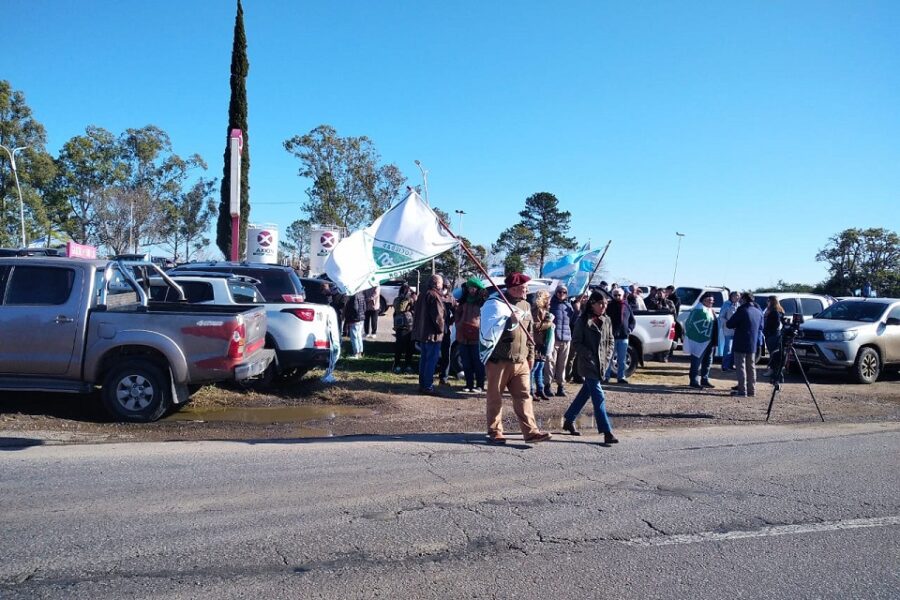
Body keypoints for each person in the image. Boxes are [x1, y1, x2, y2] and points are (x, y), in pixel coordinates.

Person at [481, 272, 552, 445]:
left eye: (527, 287)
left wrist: (531, 354)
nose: (527, 290)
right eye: (524, 287)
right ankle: (495, 431)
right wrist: (508, 322)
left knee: (524, 396)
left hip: (521, 361)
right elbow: (489, 330)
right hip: (499, 360)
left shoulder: (526, 305)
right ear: (513, 289)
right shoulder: (495, 304)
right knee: (495, 397)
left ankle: (531, 432)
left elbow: (530, 332)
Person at [562, 291, 618, 444]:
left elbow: (611, 341)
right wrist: (588, 355)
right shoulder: (583, 321)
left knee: (585, 393)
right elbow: (576, 343)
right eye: (600, 303)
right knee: (598, 396)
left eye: (605, 304)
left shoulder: (607, 320)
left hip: (602, 364)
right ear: (592, 304)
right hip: (588, 364)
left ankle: (569, 419)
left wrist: (606, 358)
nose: (603, 306)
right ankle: (607, 431)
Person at [412, 274, 445, 394]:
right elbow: (438, 317)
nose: (442, 286)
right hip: (432, 334)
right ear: (436, 284)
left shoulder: (422, 295)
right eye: (441, 283)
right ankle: (427, 386)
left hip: (423, 333)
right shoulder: (434, 296)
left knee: (424, 360)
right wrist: (442, 329)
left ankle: (422, 384)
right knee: (431, 360)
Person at [726, 292, 764, 397]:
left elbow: (730, 324)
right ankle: (752, 390)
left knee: (740, 367)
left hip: (740, 342)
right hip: (752, 343)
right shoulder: (758, 311)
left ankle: (742, 391)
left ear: (744, 299)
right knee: (751, 367)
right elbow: (761, 326)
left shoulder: (742, 310)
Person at [455, 277, 486, 393]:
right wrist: (458, 324)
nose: (471, 290)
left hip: (477, 337)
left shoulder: (483, 302)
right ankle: (468, 384)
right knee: (466, 362)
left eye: (473, 288)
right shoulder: (464, 301)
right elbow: (457, 313)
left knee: (478, 362)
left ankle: (480, 385)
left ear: (478, 289)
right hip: (463, 336)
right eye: (469, 288)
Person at [684, 292, 718, 388]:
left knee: (708, 361)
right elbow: (692, 323)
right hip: (699, 340)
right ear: (704, 300)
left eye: (712, 300)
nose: (711, 302)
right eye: (709, 300)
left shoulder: (710, 310)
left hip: (709, 340)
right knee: (696, 361)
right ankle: (694, 381)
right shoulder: (698, 310)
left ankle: (704, 379)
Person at [604, 288, 636, 384]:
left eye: (619, 295)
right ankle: (606, 377)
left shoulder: (627, 306)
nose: (617, 297)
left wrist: (629, 329)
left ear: (623, 295)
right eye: (615, 295)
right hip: (611, 337)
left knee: (622, 360)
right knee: (608, 358)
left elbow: (632, 320)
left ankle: (621, 377)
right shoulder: (609, 306)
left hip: (623, 337)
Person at [548, 285, 574, 397]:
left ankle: (560, 386)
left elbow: (574, 320)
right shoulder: (550, 305)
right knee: (550, 363)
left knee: (562, 364)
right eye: (559, 292)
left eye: (564, 292)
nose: (561, 294)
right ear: (556, 292)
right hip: (554, 338)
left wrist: (577, 309)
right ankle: (547, 386)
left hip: (566, 338)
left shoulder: (569, 306)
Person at [530, 289, 554, 401]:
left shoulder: (545, 310)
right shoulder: (536, 309)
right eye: (548, 298)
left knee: (540, 368)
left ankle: (540, 389)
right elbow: (533, 325)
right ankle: (530, 391)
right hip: (536, 342)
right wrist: (548, 324)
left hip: (542, 342)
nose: (550, 300)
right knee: (533, 368)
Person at [436, 283, 458, 385]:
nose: (444, 289)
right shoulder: (434, 296)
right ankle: (429, 376)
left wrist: (451, 321)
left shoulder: (450, 298)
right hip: (434, 330)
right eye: (443, 286)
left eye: (446, 287)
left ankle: (444, 378)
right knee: (433, 354)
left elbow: (456, 311)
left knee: (446, 355)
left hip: (445, 330)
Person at [392, 283, 416, 373]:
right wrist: (408, 299)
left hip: (406, 326)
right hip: (404, 326)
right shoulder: (401, 299)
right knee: (402, 347)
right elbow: (401, 309)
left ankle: (405, 365)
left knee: (407, 347)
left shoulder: (408, 299)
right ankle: (400, 365)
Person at [763, 296, 785, 378]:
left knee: (773, 353)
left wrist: (767, 331)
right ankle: (774, 370)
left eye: (768, 300)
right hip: (775, 334)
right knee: (774, 353)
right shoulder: (779, 311)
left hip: (772, 335)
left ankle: (772, 370)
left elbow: (775, 324)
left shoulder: (774, 312)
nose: (767, 302)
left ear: (772, 301)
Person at [719, 291, 740, 371]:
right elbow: (721, 317)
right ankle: (725, 366)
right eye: (736, 296)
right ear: (731, 296)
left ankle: (731, 365)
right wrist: (729, 324)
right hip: (728, 329)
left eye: (738, 296)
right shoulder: (726, 305)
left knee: (733, 349)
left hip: (736, 331)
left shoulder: (738, 305)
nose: (737, 297)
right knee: (728, 348)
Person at [343, 290, 367, 359]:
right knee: (359, 335)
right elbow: (364, 307)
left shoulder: (354, 296)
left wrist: (350, 318)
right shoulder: (362, 294)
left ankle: (356, 353)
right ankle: (360, 352)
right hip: (361, 317)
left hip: (355, 319)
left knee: (354, 337)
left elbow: (354, 308)